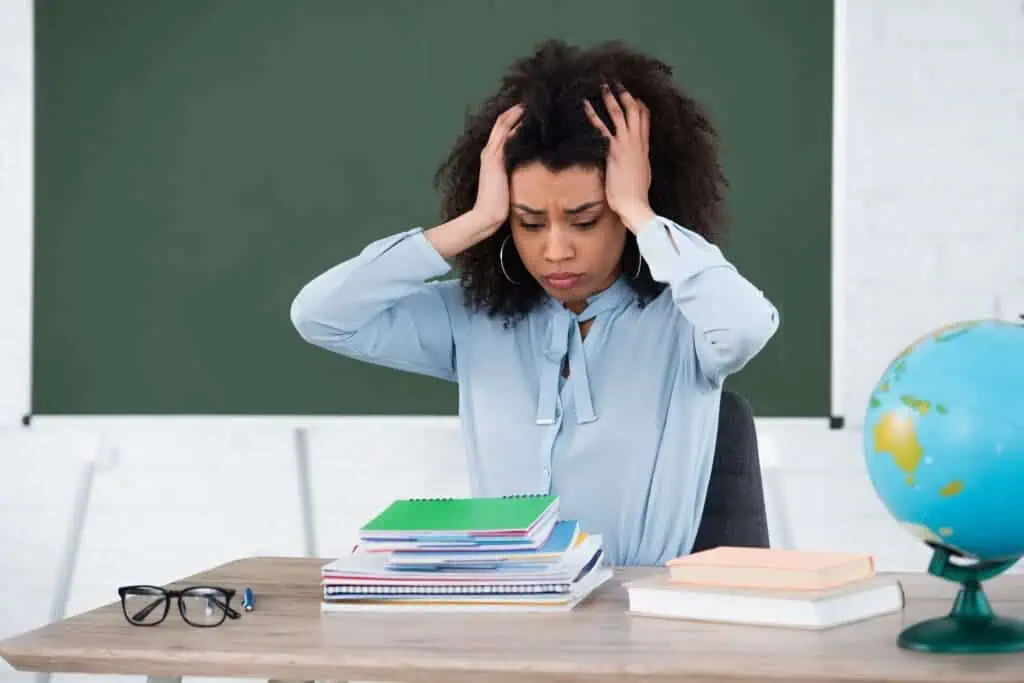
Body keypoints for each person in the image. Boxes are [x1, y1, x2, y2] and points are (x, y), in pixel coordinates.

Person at [290, 39, 779, 566]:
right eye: (529, 222)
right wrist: (474, 223)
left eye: (586, 220)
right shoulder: (474, 320)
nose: (555, 250)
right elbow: (321, 316)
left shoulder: (687, 325)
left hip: (641, 620)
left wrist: (640, 211)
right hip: (509, 614)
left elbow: (746, 327)